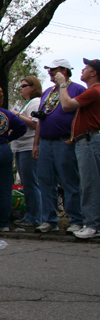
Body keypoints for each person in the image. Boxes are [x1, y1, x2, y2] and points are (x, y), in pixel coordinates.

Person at [32, 59, 84, 234]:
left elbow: (80, 114)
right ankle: (49, 220)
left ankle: (76, 220)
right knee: (46, 182)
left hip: (65, 141)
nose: (50, 73)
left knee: (70, 182)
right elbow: (41, 118)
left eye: (53, 70)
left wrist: (74, 137)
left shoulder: (77, 89)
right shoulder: (48, 92)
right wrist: (36, 143)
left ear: (64, 70)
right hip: (46, 142)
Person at [54, 58, 100, 239]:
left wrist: (62, 84)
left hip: (89, 141)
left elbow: (67, 105)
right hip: (85, 141)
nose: (82, 70)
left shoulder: (94, 90)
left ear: (94, 73)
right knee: (90, 183)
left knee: (90, 184)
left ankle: (93, 225)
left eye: (86, 68)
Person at [0, 86, 27, 232]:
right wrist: (9, 137)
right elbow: (22, 126)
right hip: (5, 149)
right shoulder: (7, 114)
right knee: (5, 188)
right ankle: (4, 222)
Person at [10, 76, 43, 228]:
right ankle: (30, 215)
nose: (21, 88)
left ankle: (35, 217)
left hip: (28, 147)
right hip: (21, 147)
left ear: (33, 87)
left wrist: (17, 115)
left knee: (31, 183)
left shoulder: (36, 102)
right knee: (26, 183)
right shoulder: (28, 104)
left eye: (24, 85)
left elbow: (35, 124)